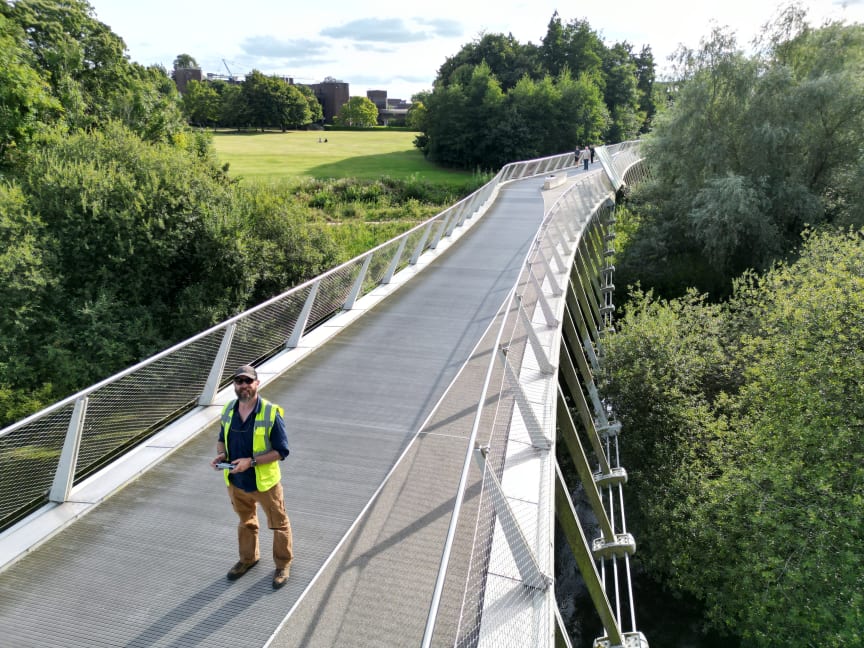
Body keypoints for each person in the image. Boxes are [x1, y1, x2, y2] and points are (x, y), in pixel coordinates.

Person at [211, 365, 293, 589]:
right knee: (245, 522)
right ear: (234, 386)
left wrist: (252, 461)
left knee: (279, 524)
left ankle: (283, 564)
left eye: (248, 381)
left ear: (257, 383)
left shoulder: (270, 412)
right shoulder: (229, 409)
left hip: (264, 483)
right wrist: (221, 455)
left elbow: (282, 451)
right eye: (239, 381)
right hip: (236, 481)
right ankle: (248, 559)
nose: (243, 385)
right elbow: (221, 438)